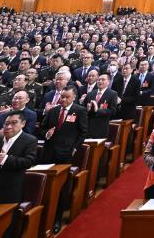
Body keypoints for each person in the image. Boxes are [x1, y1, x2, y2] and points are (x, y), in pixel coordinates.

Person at [0, 110, 37, 238]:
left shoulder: (29, 140)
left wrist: (5, 159)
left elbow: (28, 162)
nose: (8, 126)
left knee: (7, 229)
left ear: (23, 124)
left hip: (10, 191)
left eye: (14, 123)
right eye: (6, 124)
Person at [39, 85, 88, 234]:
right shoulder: (53, 110)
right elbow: (42, 127)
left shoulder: (79, 111)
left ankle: (57, 218)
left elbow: (83, 132)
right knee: (46, 185)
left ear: (74, 97)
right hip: (48, 152)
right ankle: (42, 217)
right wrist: (46, 133)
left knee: (61, 187)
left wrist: (74, 148)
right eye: (62, 97)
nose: (64, 99)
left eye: (67, 97)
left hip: (66, 154)